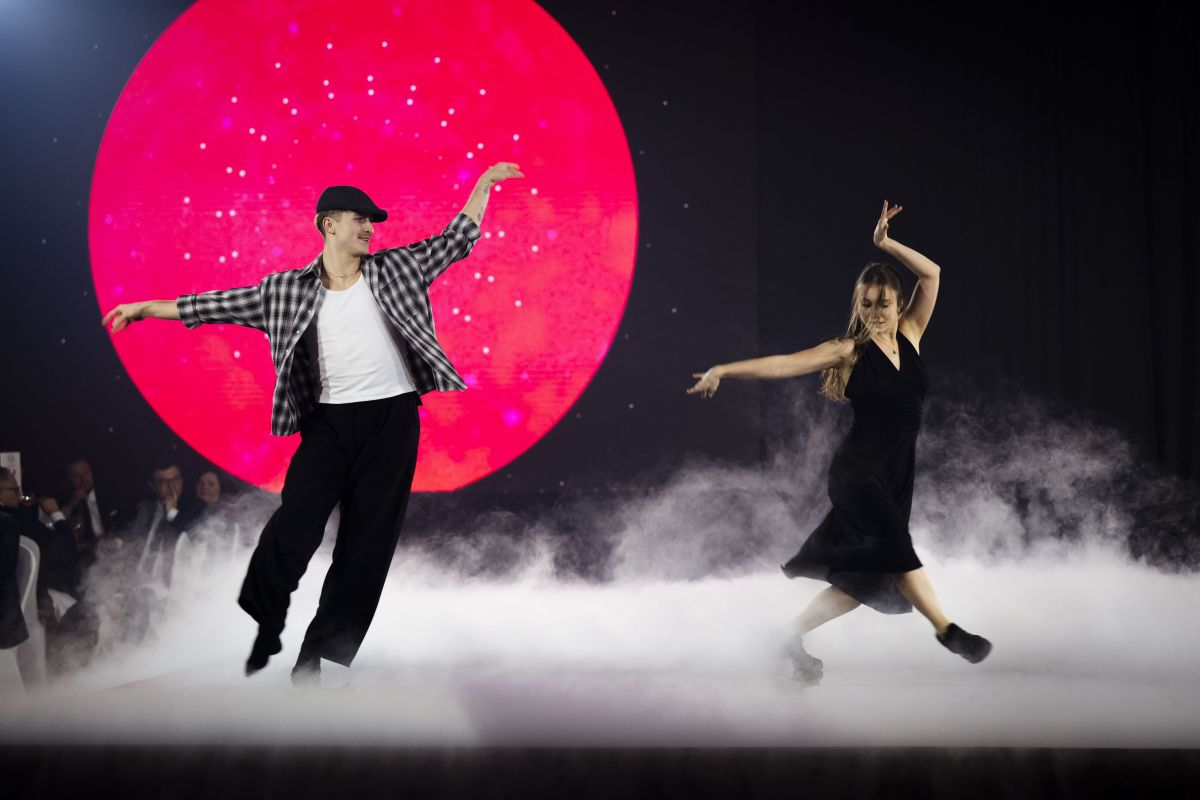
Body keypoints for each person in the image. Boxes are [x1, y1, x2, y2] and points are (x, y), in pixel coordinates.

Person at [102, 163, 523, 685]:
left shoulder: (397, 267)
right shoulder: (285, 290)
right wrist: (144, 308)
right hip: (328, 425)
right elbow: (212, 305)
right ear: (329, 224)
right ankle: (264, 610)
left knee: (366, 545)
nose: (369, 228)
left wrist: (483, 186)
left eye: (371, 221)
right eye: (359, 219)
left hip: (392, 421)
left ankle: (317, 655)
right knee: (296, 521)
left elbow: (456, 241)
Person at [688, 201, 991, 684]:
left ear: (898, 304)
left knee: (863, 580)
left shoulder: (911, 334)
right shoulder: (847, 351)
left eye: (883, 303)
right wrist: (724, 369)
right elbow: (785, 364)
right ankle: (948, 630)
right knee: (896, 548)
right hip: (857, 474)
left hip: (896, 476)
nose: (874, 312)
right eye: (866, 304)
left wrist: (884, 243)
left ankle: (785, 638)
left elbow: (931, 274)